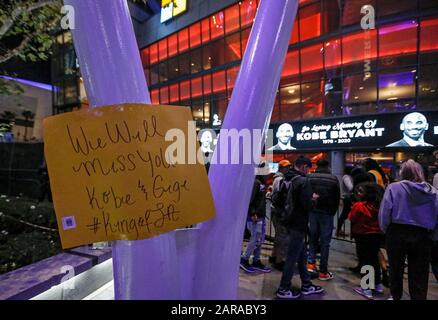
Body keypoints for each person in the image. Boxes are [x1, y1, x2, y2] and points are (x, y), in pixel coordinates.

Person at [379, 159, 438, 300]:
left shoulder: (394, 188)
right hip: (423, 235)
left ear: (402, 172)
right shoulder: (433, 192)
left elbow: (385, 213)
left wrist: (385, 229)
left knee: (396, 269)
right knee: (419, 272)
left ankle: (395, 296)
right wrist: (434, 236)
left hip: (397, 232)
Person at [276, 156, 324, 299]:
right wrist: (313, 200)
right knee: (292, 257)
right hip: (298, 222)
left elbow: (278, 200)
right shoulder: (303, 181)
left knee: (301, 255)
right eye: (308, 168)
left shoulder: (285, 179)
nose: (308, 171)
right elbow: (306, 205)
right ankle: (284, 288)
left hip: (288, 220)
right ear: (304, 166)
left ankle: (307, 284)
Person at [348, 182, 385, 299]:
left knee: (365, 261)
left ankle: (366, 288)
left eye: (361, 191)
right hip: (377, 236)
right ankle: (378, 284)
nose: (358, 193)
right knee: (374, 260)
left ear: (368, 194)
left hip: (362, 236)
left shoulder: (359, 206)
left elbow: (352, 217)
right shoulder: (380, 206)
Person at [307, 160, 340, 281]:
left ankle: (310, 265)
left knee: (312, 238)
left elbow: (307, 194)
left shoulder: (310, 177)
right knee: (325, 242)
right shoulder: (333, 179)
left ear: (317, 166)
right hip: (327, 213)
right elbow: (337, 198)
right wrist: (332, 212)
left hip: (313, 212)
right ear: (328, 167)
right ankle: (323, 271)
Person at [240, 173, 272, 274]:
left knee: (259, 239)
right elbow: (249, 199)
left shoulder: (260, 183)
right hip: (255, 217)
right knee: (255, 239)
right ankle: (244, 259)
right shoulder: (256, 183)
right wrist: (253, 213)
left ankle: (256, 260)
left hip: (259, 216)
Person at [270, 159, 292, 270]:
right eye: (286, 167)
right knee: (282, 237)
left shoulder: (277, 179)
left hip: (276, 211)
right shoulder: (280, 180)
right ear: (281, 168)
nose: (288, 169)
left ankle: (274, 256)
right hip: (279, 211)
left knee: (279, 235)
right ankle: (280, 260)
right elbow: (281, 197)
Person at [337, 166, 354, 237]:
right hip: (347, 198)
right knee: (345, 214)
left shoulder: (348, 177)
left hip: (348, 198)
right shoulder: (346, 177)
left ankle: (339, 230)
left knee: (346, 214)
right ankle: (338, 230)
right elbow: (350, 187)